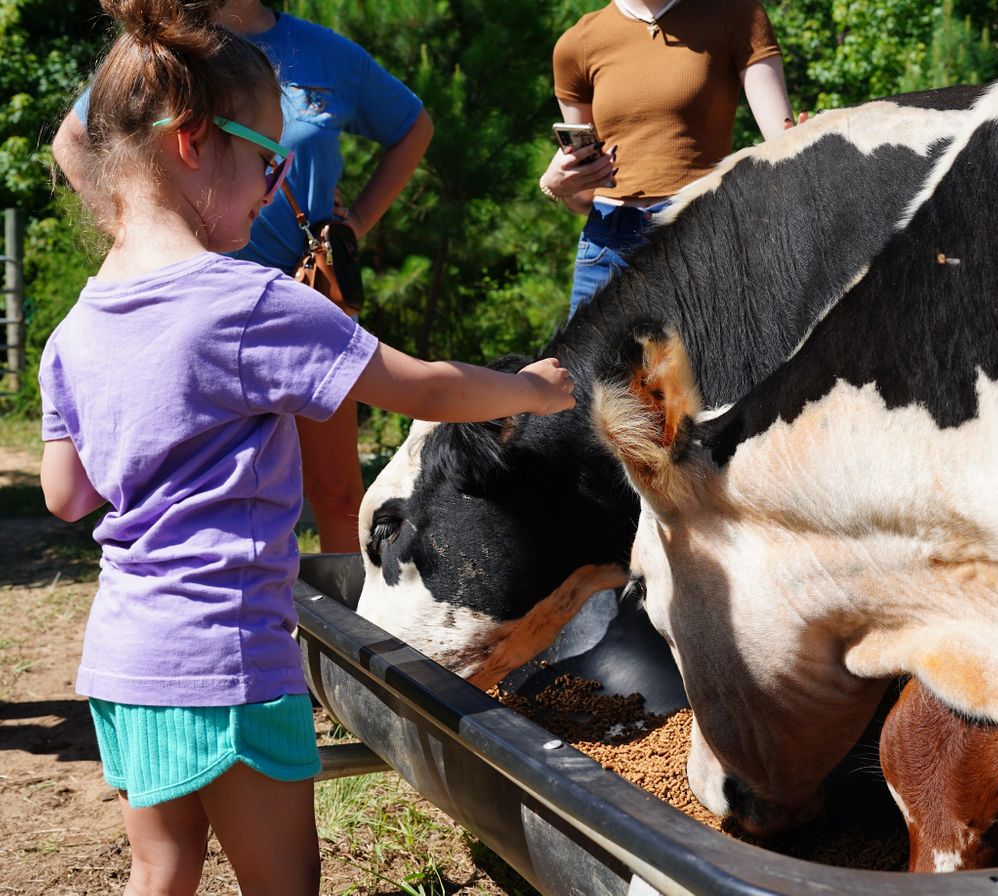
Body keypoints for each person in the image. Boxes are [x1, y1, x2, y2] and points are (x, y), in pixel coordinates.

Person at [38, 2, 574, 894]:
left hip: (125, 657)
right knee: (283, 882)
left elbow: (65, 495)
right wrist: (532, 390)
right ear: (193, 142)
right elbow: (424, 389)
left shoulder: (75, 327)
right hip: (229, 658)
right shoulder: (248, 303)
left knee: (157, 871)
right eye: (266, 158)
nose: (276, 186)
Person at [53, 0, 435, 554]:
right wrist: (136, 231)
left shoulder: (327, 52)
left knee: (337, 494)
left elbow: (412, 126)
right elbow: (74, 141)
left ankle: (346, 634)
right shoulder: (168, 47)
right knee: (199, 492)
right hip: (185, 310)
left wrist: (356, 224)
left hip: (302, 298)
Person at [538, 0, 795, 317]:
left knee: (708, 366)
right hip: (606, 244)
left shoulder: (736, 14)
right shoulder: (577, 43)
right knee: (583, 369)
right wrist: (557, 185)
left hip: (699, 236)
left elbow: (783, 144)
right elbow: (583, 194)